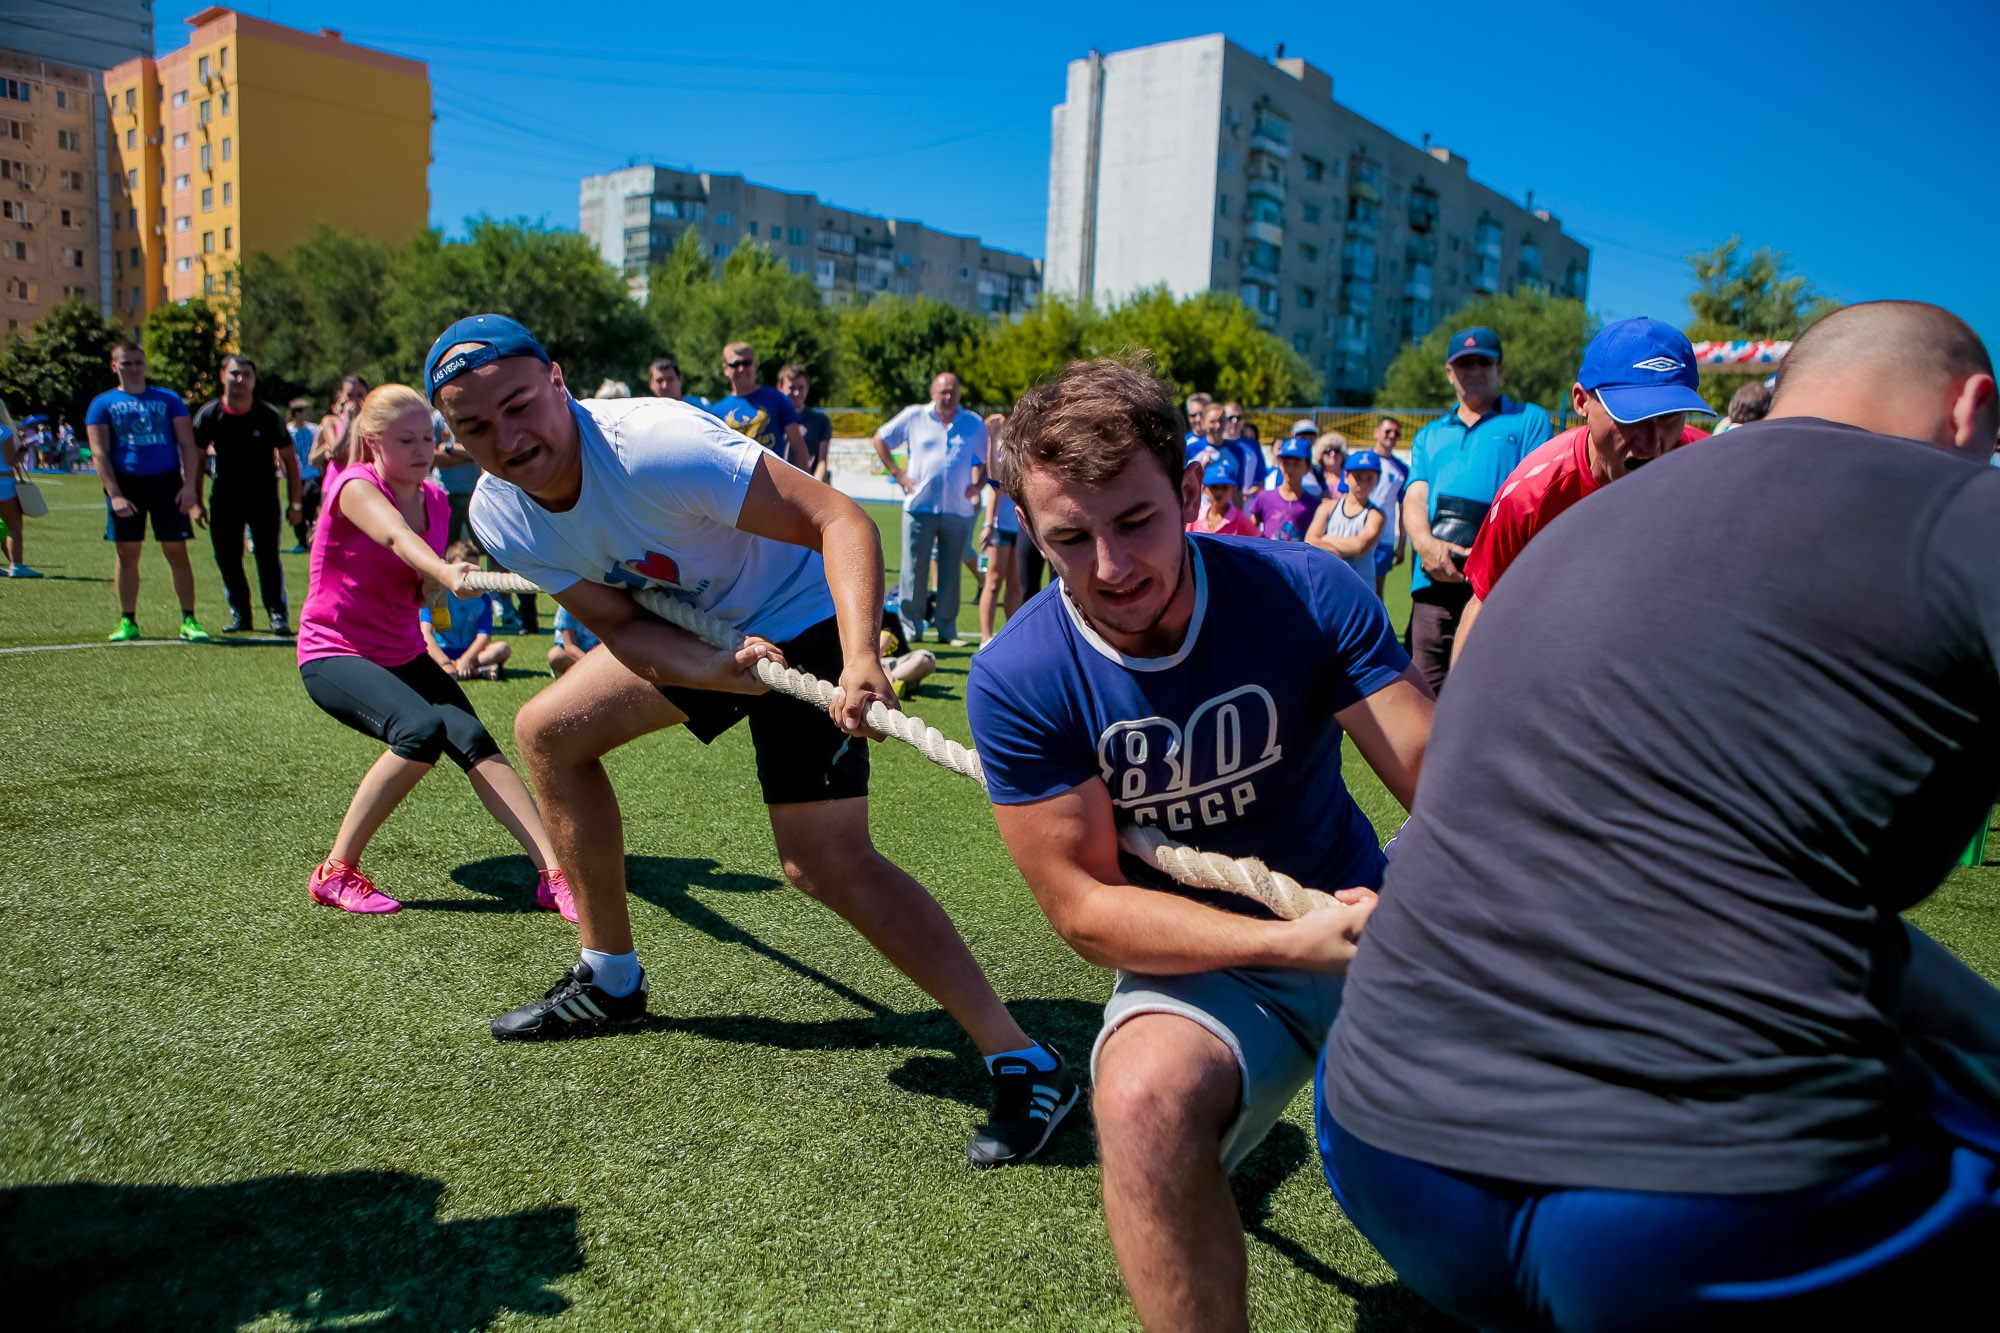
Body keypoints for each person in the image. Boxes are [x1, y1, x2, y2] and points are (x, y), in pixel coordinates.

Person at [1318, 300, 2000, 1330]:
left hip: (1379, 1148)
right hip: (1692, 1207)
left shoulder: (1579, 523)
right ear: (1970, 410)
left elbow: (1767, 896)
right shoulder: (1959, 508)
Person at [429, 314, 1077, 1166]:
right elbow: (619, 622)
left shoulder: (653, 445)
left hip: (811, 616)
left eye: (517, 405)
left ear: (556, 379)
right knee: (548, 731)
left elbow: (840, 519)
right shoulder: (501, 511)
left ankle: (1025, 1060)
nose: (507, 440)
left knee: (823, 863)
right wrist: (708, 666)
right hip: (703, 632)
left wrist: (859, 658)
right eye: (475, 427)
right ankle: (610, 976)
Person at [967, 356, 1432, 1333]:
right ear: (1029, 533)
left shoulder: (1301, 588)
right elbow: (1084, 910)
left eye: (1134, 521)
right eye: (1068, 539)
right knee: (1136, 1105)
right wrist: (1275, 946)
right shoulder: (1018, 675)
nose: (1110, 566)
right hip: (1211, 966)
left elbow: (1436, 781)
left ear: (1187, 492)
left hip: (1364, 921)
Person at [296, 384, 570, 919]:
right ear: (374, 442)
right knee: (420, 731)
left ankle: (553, 873)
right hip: (336, 652)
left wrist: (437, 586)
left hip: (401, 651)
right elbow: (398, 539)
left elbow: (417, 582)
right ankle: (335, 872)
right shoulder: (355, 486)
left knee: (473, 741)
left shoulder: (438, 500)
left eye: (429, 436)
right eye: (407, 439)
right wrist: (444, 570)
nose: (423, 449)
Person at [1452, 318, 1715, 664]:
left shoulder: (1713, 470)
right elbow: (1485, 603)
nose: (1652, 443)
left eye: (1669, 416)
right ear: (1581, 402)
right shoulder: (1530, 495)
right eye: (1632, 417)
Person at [1400, 326, 1552, 693]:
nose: (1474, 370)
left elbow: (1532, 497)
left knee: (1485, 695)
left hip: (1496, 585)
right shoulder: (1429, 435)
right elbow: (1415, 497)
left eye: (1483, 361)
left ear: (1500, 367)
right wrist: (1425, 544)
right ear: (1450, 373)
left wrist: (1485, 554)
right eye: (1463, 363)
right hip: (1433, 581)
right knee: (1424, 695)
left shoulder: (1529, 420)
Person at [84, 342, 211, 643]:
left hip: (166, 483)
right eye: (126, 363)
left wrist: (189, 487)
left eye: (138, 362)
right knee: (127, 554)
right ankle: (128, 621)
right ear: (114, 366)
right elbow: (99, 453)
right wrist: (114, 493)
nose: (133, 368)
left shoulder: (168, 399)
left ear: (146, 364)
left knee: (177, 551)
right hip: (126, 483)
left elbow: (187, 446)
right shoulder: (102, 404)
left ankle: (189, 620)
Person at [873, 372, 987, 645]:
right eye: (943, 392)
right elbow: (880, 439)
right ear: (932, 393)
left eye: (953, 392)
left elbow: (986, 458)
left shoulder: (972, 422)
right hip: (919, 507)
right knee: (914, 569)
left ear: (959, 394)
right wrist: (898, 474)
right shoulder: (915, 416)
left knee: (951, 572)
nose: (948, 397)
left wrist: (979, 484)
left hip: (957, 509)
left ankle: (947, 629)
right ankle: (912, 627)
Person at [193, 355, 302, 636]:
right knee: (228, 558)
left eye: (246, 375)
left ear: (254, 381)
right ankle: (240, 614)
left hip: (263, 499)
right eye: (234, 374)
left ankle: (277, 614)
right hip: (224, 499)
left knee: (267, 557)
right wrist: (194, 500)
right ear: (222, 377)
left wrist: (296, 503)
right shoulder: (209, 415)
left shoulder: (268, 416)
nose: (239, 380)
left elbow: (291, 461)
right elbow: (195, 460)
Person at [419, 541, 512, 681]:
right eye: (463, 570)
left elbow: (484, 636)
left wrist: (466, 659)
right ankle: (476, 672)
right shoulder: (436, 594)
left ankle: (457, 670)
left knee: (502, 649)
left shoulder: (483, 598)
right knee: (417, 656)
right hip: (440, 651)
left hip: (471, 652)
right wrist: (444, 661)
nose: (468, 576)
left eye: (473, 570)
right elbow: (426, 635)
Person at [710, 342, 805, 463]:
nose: (741, 369)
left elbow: (798, 447)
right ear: (725, 369)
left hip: (772, 478)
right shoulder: (716, 412)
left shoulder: (778, 400)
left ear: (756, 365)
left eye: (747, 363)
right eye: (735, 364)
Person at [975, 417, 1025, 645]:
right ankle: (986, 636)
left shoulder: (1025, 455)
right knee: (994, 581)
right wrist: (991, 438)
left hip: (1022, 527)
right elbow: (994, 482)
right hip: (1001, 526)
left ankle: (1012, 634)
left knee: (1016, 584)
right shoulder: (1002, 455)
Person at [1307, 451, 1386, 588]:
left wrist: (1325, 540)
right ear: (1346, 477)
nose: (1363, 483)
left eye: (1369, 478)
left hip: (1360, 591)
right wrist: (1346, 548)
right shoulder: (1327, 508)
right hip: (1328, 587)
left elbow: (1359, 547)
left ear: (1377, 480)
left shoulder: (1376, 515)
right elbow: (1310, 542)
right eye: (1358, 477)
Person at [1367, 416, 1410, 597]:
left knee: (1377, 593)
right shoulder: (1360, 461)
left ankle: (1376, 626)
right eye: (1387, 431)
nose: (1392, 436)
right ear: (1376, 433)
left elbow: (1403, 509)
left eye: (1396, 433)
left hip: (1384, 537)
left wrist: (1401, 544)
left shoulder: (1402, 469)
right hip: (1355, 532)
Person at [1249, 436, 1318, 540]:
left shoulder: (1313, 505)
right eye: (1286, 463)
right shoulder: (1264, 497)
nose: (1290, 469)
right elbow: (1249, 531)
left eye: (1296, 464)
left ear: (1308, 467)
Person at [0, 404, 40, 577]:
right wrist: (21, 452)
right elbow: (10, 461)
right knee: (14, 525)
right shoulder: (4, 432)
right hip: (3, 482)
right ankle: (17, 565)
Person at [778, 363, 832, 482]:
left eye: (801, 387)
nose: (796, 393)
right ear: (780, 388)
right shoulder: (772, 418)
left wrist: (816, 484)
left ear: (807, 388)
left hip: (807, 483)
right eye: (791, 388)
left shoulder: (820, 420)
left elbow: (822, 460)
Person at [1187, 460, 1259, 537]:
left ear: (1233, 489)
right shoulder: (1195, 519)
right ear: (1204, 488)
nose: (1219, 492)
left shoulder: (1242, 521)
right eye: (1214, 487)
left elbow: (1260, 542)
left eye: (1224, 487)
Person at [288, 398, 320, 551]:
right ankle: (302, 542)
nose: (309, 414)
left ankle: (313, 539)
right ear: (297, 413)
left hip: (313, 475)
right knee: (297, 508)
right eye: (305, 411)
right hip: (296, 476)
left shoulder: (315, 429)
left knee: (311, 510)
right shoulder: (288, 431)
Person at [1218, 401, 1262, 505]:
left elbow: (1260, 482)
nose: (1235, 421)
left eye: (1239, 418)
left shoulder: (1253, 447)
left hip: (1245, 508)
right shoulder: (1215, 444)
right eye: (1230, 417)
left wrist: (1251, 492)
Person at [546, 604, 601, 677]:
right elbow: (569, 646)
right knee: (555, 655)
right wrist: (590, 662)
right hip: (575, 657)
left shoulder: (606, 604)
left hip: (597, 654)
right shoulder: (568, 606)